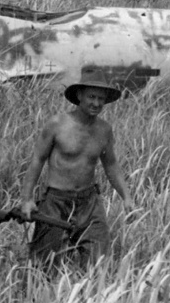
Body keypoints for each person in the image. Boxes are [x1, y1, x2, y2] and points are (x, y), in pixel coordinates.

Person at [19, 66, 132, 267]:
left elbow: (111, 165)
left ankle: (89, 296)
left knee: (98, 263)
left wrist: (127, 197)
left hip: (89, 202)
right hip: (55, 200)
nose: (96, 103)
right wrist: (27, 200)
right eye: (91, 97)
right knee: (43, 264)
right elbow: (37, 160)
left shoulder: (104, 130)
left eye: (101, 98)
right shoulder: (57, 124)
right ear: (79, 95)